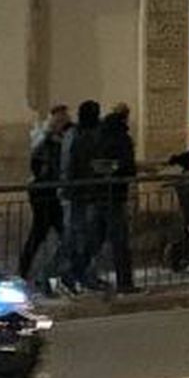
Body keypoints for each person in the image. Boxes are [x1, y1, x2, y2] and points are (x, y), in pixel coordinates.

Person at [88, 102, 138, 293]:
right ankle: (125, 283)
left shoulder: (99, 135)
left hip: (98, 193)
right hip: (115, 194)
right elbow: (127, 165)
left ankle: (82, 275)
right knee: (120, 241)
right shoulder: (121, 137)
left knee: (96, 239)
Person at [19, 105, 70, 287]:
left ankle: (36, 273)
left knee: (51, 233)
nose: (65, 122)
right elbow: (43, 166)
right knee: (42, 232)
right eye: (62, 119)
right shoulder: (46, 140)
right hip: (45, 191)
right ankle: (36, 273)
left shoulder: (52, 139)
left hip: (48, 190)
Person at [58, 100, 103, 291]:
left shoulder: (80, 134)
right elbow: (72, 164)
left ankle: (81, 274)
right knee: (76, 238)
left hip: (84, 192)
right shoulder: (79, 135)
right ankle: (65, 273)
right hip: (80, 193)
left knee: (86, 237)